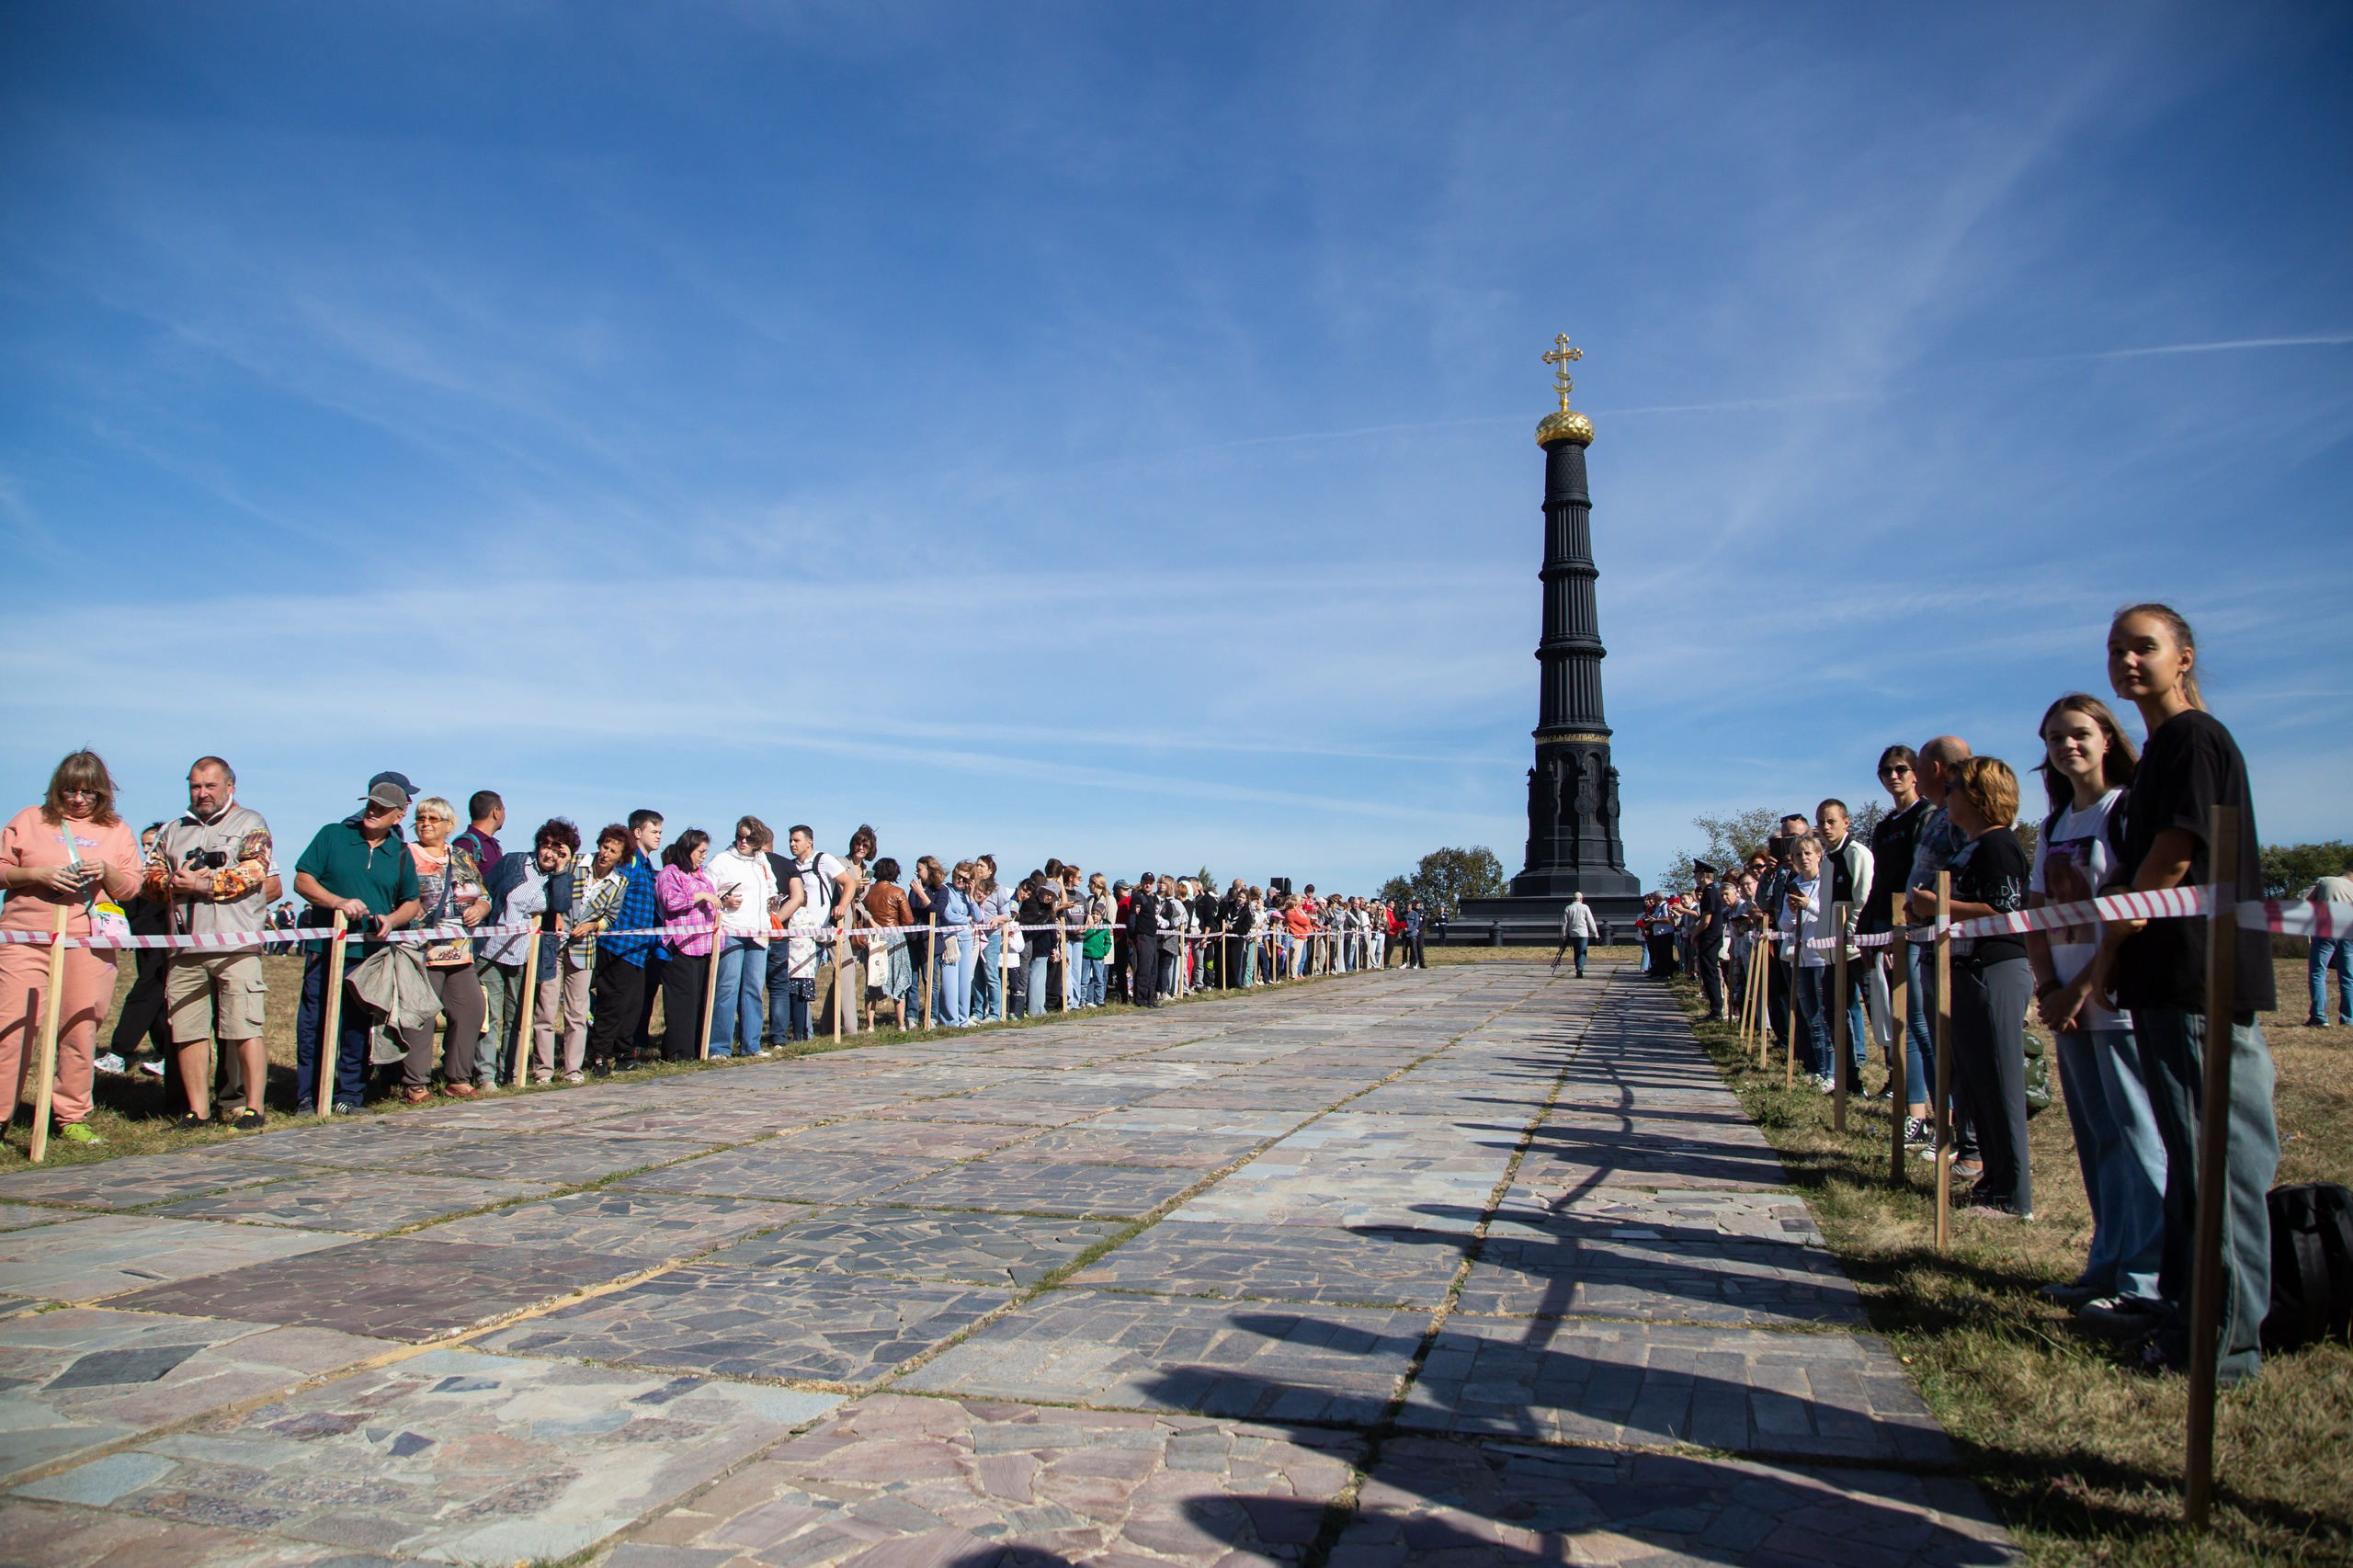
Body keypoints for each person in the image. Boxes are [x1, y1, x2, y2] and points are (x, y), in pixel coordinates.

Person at [2090, 604, 2279, 1384]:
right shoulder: (2158, 751)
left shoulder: (2195, 738)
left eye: (2145, 647)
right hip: (2162, 981)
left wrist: (2112, 937)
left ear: (2184, 657)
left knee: (2218, 1165)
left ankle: (2224, 1344)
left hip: (2199, 977)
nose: (2128, 662)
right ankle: (2185, 1312)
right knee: (2192, 1163)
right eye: (2117, 650)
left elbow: (2172, 856)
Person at [2026, 695, 2165, 1326]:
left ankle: (2147, 1279)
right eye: (2055, 738)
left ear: (2107, 738)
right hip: (2066, 1004)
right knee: (2098, 1140)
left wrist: (2081, 988)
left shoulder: (2126, 810)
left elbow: (2132, 914)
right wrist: (2049, 987)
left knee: (2140, 1139)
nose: (2067, 746)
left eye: (2079, 733)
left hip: (2114, 999)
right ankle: (2105, 1265)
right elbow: (2036, 913)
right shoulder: (2054, 825)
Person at [0, 752, 143, 1145]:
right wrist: (36, 874)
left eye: (89, 792)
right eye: (70, 791)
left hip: (88, 941)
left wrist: (107, 872)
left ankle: (71, 1115)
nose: (79, 799)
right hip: (25, 938)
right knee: (12, 1028)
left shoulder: (117, 831)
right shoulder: (29, 820)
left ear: (103, 793)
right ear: (56, 789)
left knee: (80, 1028)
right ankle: (1, 1115)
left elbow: (131, 887)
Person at [150, 757, 279, 1128]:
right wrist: (171, 882)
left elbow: (254, 872)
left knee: (244, 1028)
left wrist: (204, 884)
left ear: (229, 787)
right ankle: (198, 1111)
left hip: (235, 946)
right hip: (184, 949)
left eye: (210, 786)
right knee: (187, 1032)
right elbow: (149, 877)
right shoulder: (173, 830)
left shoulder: (250, 823)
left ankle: (253, 1108)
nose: (202, 793)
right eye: (195, 786)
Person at [292, 778, 423, 1113]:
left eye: (382, 808)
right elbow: (302, 881)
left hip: (369, 957)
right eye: (370, 804)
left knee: (357, 1028)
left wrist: (391, 920)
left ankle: (348, 1096)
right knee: (314, 1025)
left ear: (398, 816)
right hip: (325, 952)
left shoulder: (400, 853)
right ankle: (308, 1096)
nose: (372, 811)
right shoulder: (333, 835)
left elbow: (412, 902)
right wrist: (337, 902)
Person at [1941, 756, 2034, 1220]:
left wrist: (1940, 904)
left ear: (1978, 795)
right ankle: (1994, 1180)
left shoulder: (1998, 844)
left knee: (2001, 1083)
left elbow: (2005, 910)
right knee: (1978, 1085)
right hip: (1966, 968)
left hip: (1994, 968)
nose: (1946, 796)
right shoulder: (1970, 847)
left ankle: (2015, 1195)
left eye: (1953, 788)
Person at [1864, 744, 1935, 1143]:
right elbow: (1880, 880)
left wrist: (1904, 923)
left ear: (1916, 772)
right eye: (1886, 771)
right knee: (1901, 1021)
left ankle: (1937, 1115)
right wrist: (1869, 928)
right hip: (1886, 926)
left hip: (1915, 926)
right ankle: (1915, 1111)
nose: (1893, 776)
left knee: (1919, 1022)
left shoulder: (1927, 816)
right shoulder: (1885, 826)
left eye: (1901, 769)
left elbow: (1921, 872)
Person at [404, 797, 491, 1103]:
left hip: (460, 952)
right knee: (422, 1016)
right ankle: (415, 1084)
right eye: (421, 818)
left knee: (471, 1010)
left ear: (449, 825)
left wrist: (481, 908)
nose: (425, 824)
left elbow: (484, 894)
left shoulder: (462, 856)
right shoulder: (406, 854)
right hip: (421, 951)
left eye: (433, 819)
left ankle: (457, 1078)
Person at [495, 819, 589, 1085]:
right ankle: (506, 1073)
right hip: (497, 947)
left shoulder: (563, 876)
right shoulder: (516, 862)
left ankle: (515, 1072)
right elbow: (491, 891)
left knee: (520, 1015)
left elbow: (560, 904)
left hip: (535, 952)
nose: (549, 853)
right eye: (546, 846)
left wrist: (561, 870)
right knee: (500, 1014)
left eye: (557, 850)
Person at [587, 810, 665, 1073]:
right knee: (612, 1005)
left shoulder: (646, 865)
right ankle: (599, 1056)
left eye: (660, 832)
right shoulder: (627, 861)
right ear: (638, 832)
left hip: (639, 949)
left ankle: (623, 1055)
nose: (659, 836)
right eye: (654, 831)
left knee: (632, 1007)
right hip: (617, 945)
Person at [97, 823, 173, 1082]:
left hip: (166, 942)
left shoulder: (171, 874)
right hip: (143, 942)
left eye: (151, 844)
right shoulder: (138, 873)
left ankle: (119, 1054)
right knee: (155, 1000)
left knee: (142, 995)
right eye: (143, 844)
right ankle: (166, 1054)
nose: (146, 849)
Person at [455, 790, 516, 1086]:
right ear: (496, 811)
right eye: (504, 809)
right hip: (474, 940)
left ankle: (502, 1071)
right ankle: (471, 1072)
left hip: (497, 938)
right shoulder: (466, 845)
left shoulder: (494, 846)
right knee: (481, 1011)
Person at [1814, 801, 1875, 1094]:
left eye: (1831, 821)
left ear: (1846, 822)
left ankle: (1895, 1079)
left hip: (1856, 949)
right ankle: (1849, 1079)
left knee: (1876, 1010)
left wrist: (1850, 934)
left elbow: (1863, 899)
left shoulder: (1857, 853)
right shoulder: (1827, 860)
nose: (1826, 827)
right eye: (1821, 822)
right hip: (1832, 953)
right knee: (1834, 1013)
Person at [705, 817, 779, 1058]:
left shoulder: (762, 861)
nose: (743, 841)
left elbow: (771, 888)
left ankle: (752, 1045)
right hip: (731, 931)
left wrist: (774, 900)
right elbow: (706, 891)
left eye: (749, 838)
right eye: (740, 836)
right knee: (727, 987)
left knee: (754, 989)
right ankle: (719, 1047)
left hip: (758, 933)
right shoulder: (721, 860)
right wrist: (722, 899)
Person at [655, 829, 724, 1060]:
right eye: (700, 852)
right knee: (682, 1001)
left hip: (703, 945)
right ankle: (677, 1052)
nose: (703, 857)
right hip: (680, 946)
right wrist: (701, 896)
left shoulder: (701, 875)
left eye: (705, 852)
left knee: (699, 1000)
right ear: (688, 849)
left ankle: (696, 1048)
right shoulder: (670, 873)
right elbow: (670, 901)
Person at [864, 858, 915, 1029]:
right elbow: (908, 920)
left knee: (873, 979)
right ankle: (901, 1024)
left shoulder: (868, 892)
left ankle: (870, 1025)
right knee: (898, 979)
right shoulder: (898, 892)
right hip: (895, 938)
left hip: (874, 938)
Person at [2302, 859, 2353, 1028]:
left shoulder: (2325, 880)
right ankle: (2349, 1019)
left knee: (2318, 972)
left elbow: (2301, 899)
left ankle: (2319, 1017)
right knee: (2348, 977)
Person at [1128, 874, 1162, 1006]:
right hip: (1143, 936)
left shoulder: (1152, 898)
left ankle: (1150, 998)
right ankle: (1140, 999)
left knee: (1153, 969)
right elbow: (1132, 918)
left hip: (1152, 936)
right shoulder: (1138, 897)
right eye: (1145, 882)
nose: (1148, 885)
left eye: (1150, 882)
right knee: (1144, 969)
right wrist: (1131, 936)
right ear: (1141, 882)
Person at [1556, 892, 1599, 978]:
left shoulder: (1568, 908)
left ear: (1573, 899)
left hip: (1573, 934)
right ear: (1581, 899)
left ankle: (1578, 969)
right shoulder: (1585, 907)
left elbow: (1565, 923)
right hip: (1583, 933)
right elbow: (1590, 921)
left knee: (1576, 953)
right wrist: (1595, 933)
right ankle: (1580, 968)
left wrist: (1564, 935)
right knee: (1583, 952)